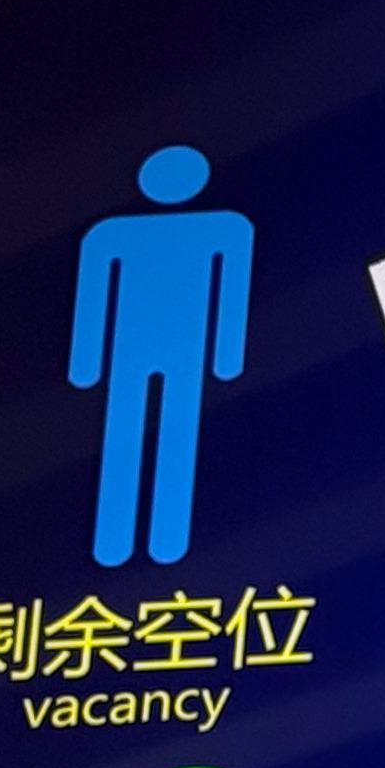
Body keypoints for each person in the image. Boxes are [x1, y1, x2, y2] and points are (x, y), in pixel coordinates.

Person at [70, 146, 252, 565]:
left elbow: (231, 287)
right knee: (127, 434)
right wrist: (86, 365)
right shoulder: (112, 233)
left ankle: (163, 540)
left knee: (174, 433)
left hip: (184, 349)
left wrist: (227, 356)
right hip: (133, 350)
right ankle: (115, 540)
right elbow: (94, 295)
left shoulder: (224, 227)